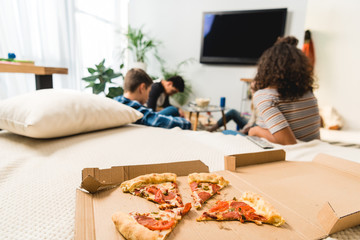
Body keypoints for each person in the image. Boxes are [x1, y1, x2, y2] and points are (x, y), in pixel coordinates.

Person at [249, 36, 321, 145]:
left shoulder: (265, 97)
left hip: (289, 154)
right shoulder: (307, 91)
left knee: (229, 130)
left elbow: (289, 142)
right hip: (314, 147)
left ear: (267, 67)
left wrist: (255, 131)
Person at [114, 68, 191, 130]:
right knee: (173, 110)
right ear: (142, 88)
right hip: (153, 114)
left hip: (152, 113)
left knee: (173, 110)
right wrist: (186, 122)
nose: (148, 96)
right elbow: (155, 120)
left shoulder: (116, 100)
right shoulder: (134, 108)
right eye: (149, 92)